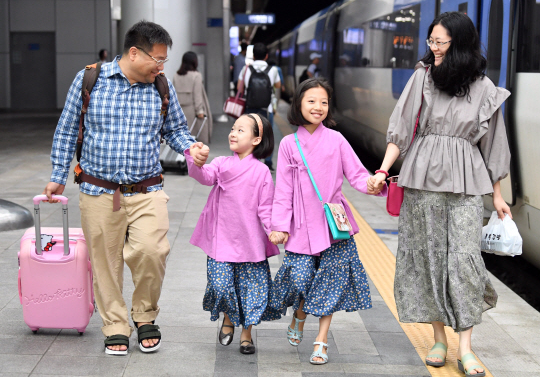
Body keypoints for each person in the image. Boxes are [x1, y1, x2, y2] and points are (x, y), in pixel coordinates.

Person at [43, 20, 209, 356]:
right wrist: (58, 173)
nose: (161, 67)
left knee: (152, 251)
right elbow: (67, 128)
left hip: (147, 189)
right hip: (98, 190)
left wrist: (191, 147)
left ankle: (145, 314)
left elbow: (175, 130)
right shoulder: (90, 79)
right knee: (106, 263)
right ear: (134, 53)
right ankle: (115, 325)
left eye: (164, 61)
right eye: (157, 59)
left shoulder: (161, 86)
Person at [369, 12, 511, 377]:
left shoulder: (484, 88)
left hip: (466, 181)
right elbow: (400, 128)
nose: (433, 48)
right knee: (429, 257)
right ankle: (438, 339)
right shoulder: (423, 77)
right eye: (431, 41)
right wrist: (384, 170)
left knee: (463, 259)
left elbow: (493, 143)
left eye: (440, 42)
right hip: (422, 179)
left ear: (459, 44)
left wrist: (497, 195)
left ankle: (466, 347)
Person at [269, 77, 387, 365]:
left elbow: (357, 174)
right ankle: (299, 313)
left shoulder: (336, 139)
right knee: (300, 277)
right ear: (298, 103)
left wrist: (372, 184)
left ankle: (321, 341)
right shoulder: (288, 143)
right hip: (300, 225)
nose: (318, 107)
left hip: (335, 224)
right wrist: (279, 225)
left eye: (323, 102)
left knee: (330, 282)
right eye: (311, 101)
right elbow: (283, 189)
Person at [185, 113, 281, 355]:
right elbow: (204, 176)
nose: (232, 133)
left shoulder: (261, 172)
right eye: (233, 128)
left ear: (257, 140)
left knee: (252, 290)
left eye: (240, 130)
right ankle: (228, 317)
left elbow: (266, 208)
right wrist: (196, 161)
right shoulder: (221, 163)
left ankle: (247, 334)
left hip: (250, 243)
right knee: (220, 285)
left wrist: (273, 231)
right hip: (222, 240)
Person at [237, 42, 281, 171]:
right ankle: (267, 162)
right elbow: (278, 86)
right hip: (266, 109)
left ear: (253, 56)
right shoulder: (272, 70)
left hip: (250, 107)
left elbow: (240, 87)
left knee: (249, 134)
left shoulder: (246, 69)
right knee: (267, 135)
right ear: (266, 56)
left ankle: (249, 160)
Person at [173, 51, 213, 144]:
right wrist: (200, 111)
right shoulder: (196, 76)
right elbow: (197, 95)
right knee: (195, 139)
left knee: (182, 140)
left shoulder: (176, 76)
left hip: (180, 112)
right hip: (193, 113)